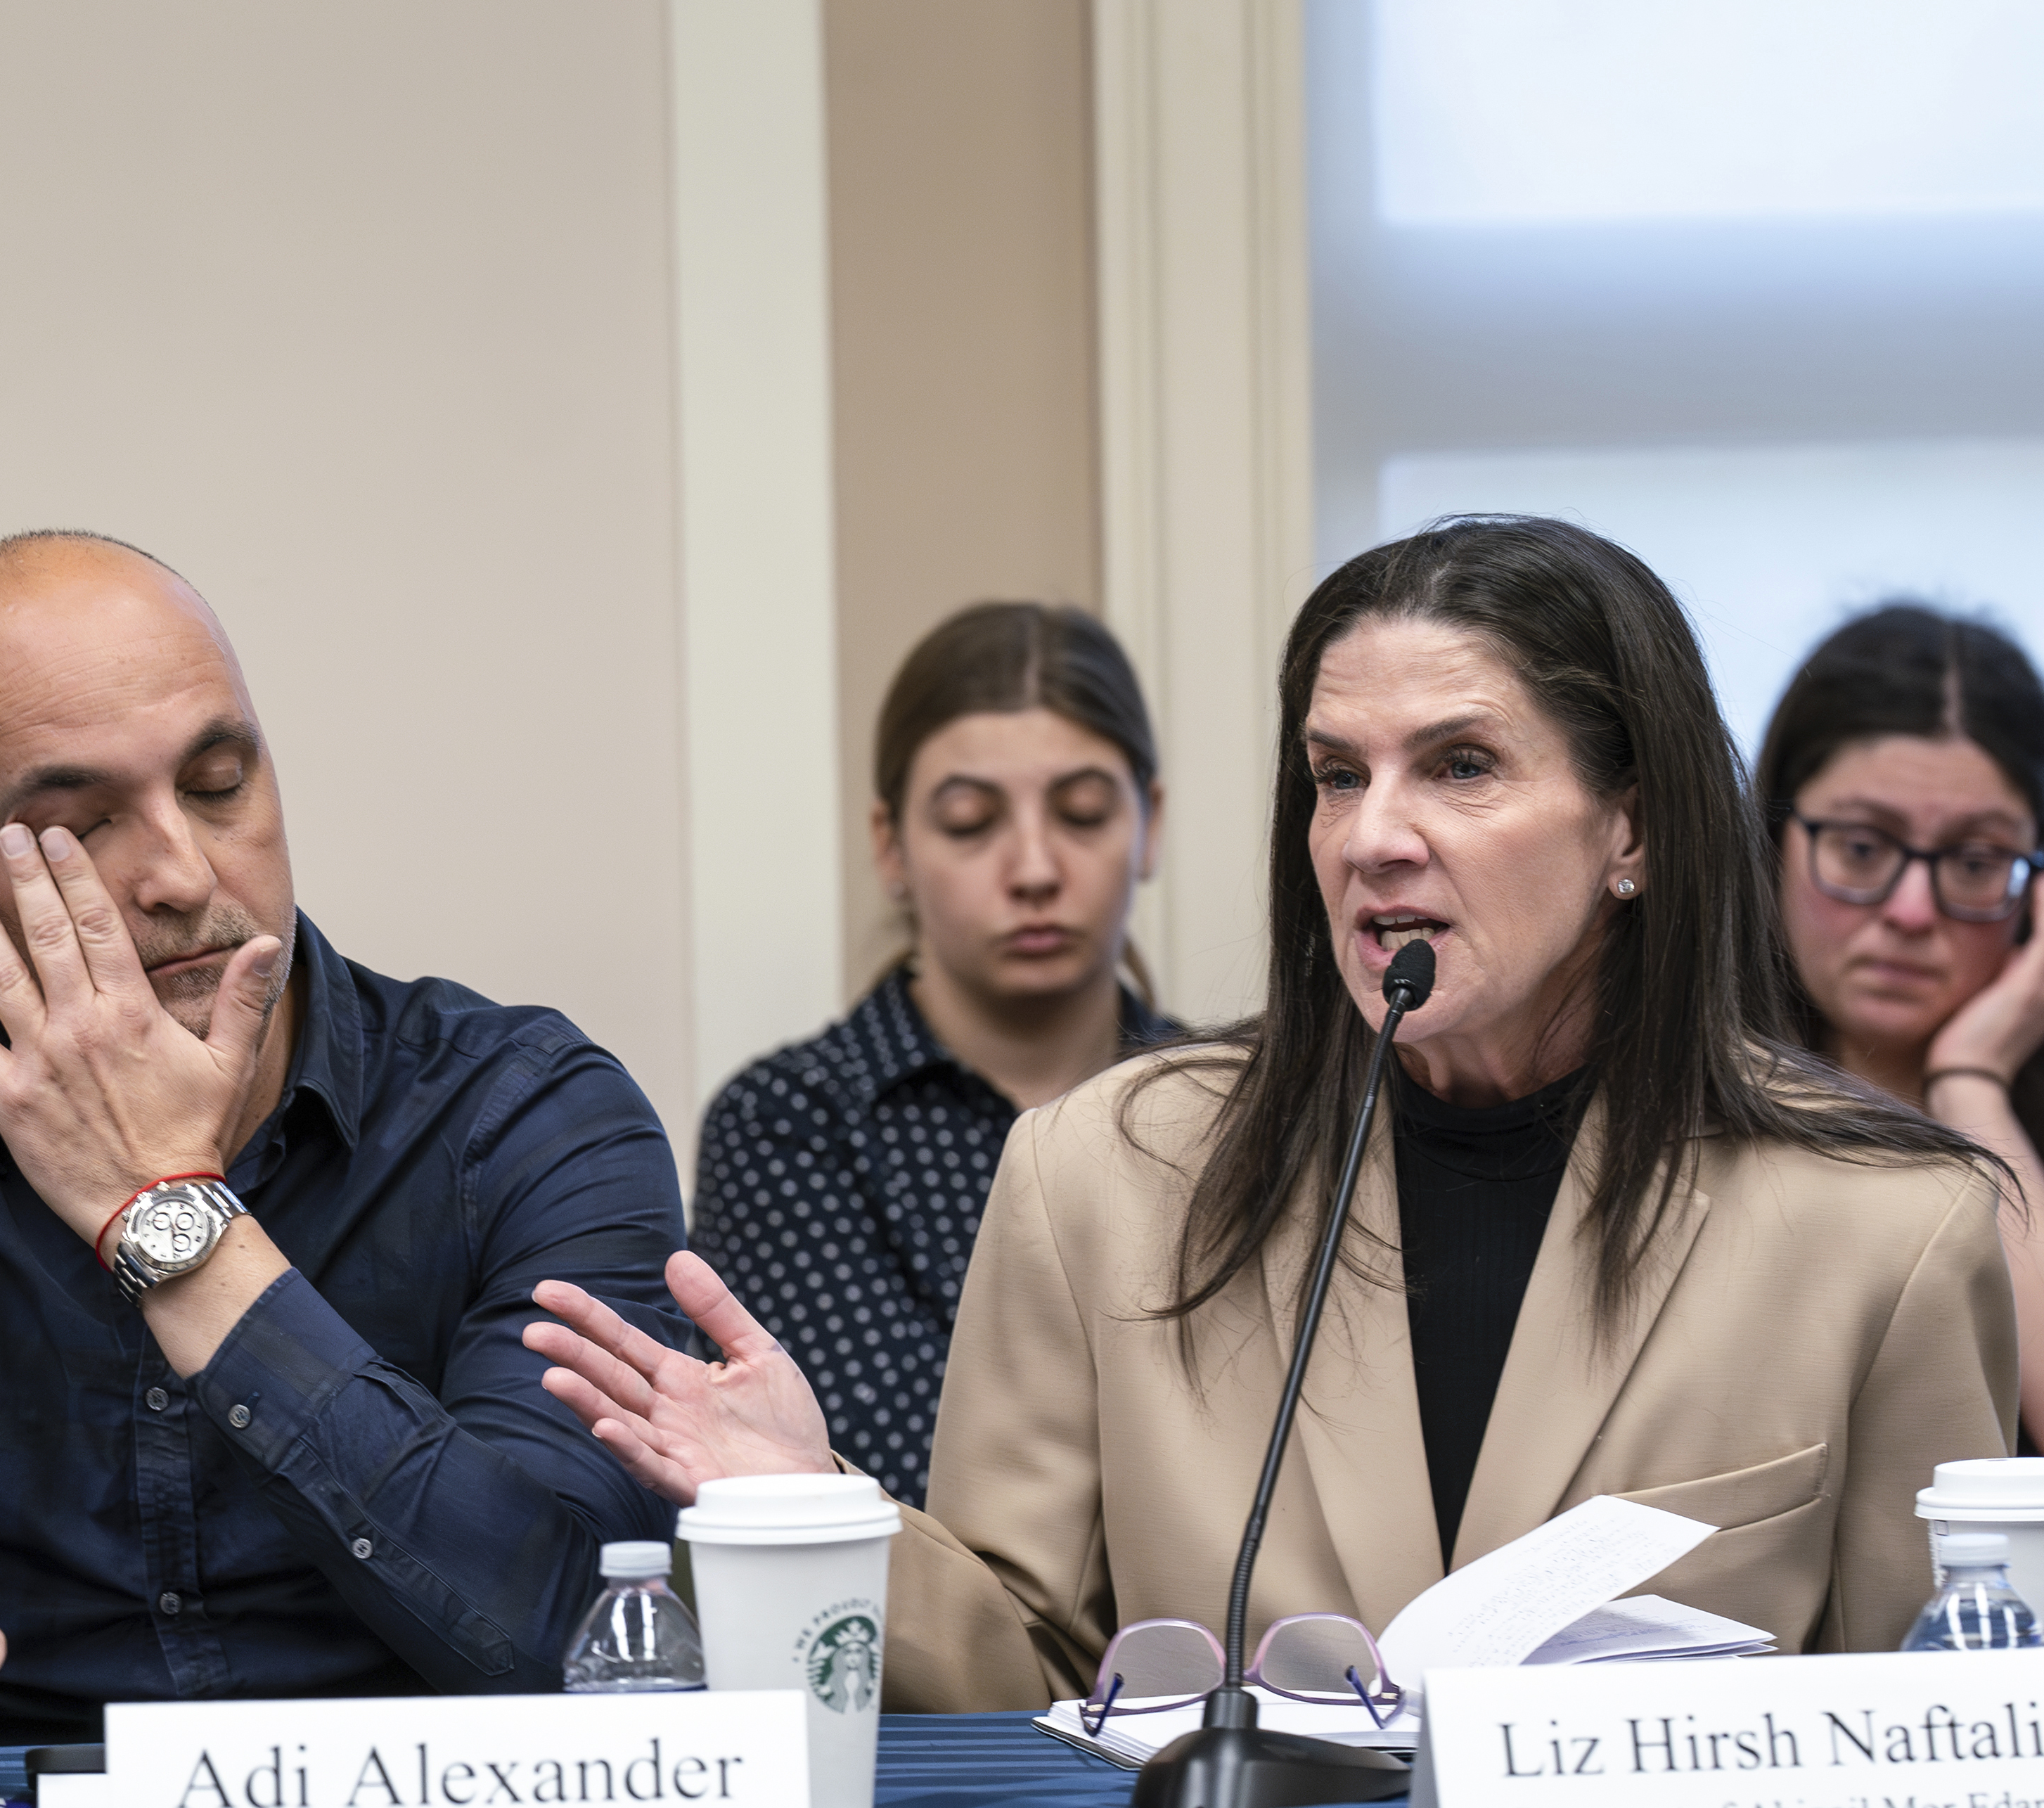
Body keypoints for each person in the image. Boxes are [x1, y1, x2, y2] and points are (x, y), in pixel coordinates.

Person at [527, 516, 2010, 1707]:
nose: (1372, 838)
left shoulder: (1879, 1222)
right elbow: (1022, 1669)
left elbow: (1946, 1748)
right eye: (1332, 776)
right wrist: (812, 1504)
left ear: (1630, 826)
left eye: (1460, 767)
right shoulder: (1103, 1174)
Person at [0, 530, 686, 1776]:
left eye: (216, 785)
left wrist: (172, 1222)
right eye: (79, 824)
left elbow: (574, 1639)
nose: (184, 872)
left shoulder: (527, 1117)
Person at [690, 603, 1171, 1504]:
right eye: (968, 823)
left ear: (1147, 822)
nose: (1033, 868)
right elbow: (877, 1477)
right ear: (891, 847)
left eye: (1079, 813)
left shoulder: (1235, 1105)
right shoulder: (790, 1122)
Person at [1759, 605, 2044, 1442]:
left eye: (1971, 861)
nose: (1910, 910)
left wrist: (1969, 1081)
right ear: (1771, 841)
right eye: (1858, 846)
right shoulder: (1672, 1099)